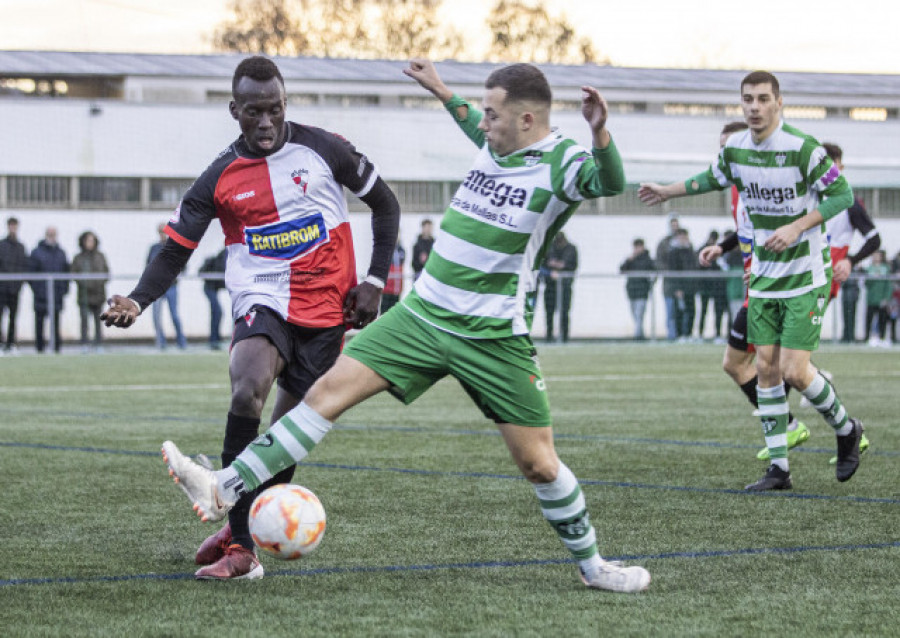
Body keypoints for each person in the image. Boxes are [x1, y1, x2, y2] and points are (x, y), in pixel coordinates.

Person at [160, 58, 650, 593]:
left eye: (491, 114)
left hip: (491, 335)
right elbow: (467, 117)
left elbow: (611, 180)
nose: (480, 124)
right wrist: (441, 89)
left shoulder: (565, 163)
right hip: (421, 314)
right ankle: (223, 488)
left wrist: (600, 131)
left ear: (527, 120)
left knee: (539, 464)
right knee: (323, 395)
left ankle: (593, 565)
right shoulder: (496, 141)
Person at [102, 56, 400, 581]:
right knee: (248, 388)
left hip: (328, 309)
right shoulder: (218, 177)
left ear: (286, 104)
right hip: (261, 298)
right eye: (254, 113)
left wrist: (375, 280)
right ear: (234, 109)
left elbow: (386, 205)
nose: (266, 123)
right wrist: (137, 300)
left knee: (287, 433)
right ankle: (243, 549)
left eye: (276, 110)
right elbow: (175, 251)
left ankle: (237, 516)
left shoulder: (326, 148)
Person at [638, 71, 865, 491]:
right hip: (763, 277)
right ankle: (779, 469)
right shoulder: (737, 149)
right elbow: (710, 178)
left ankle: (848, 429)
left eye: (763, 99)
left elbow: (842, 196)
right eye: (748, 99)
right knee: (763, 369)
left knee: (795, 371)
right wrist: (667, 192)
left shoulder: (802, 148)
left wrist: (798, 227)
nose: (754, 107)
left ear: (779, 102)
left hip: (805, 276)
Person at [820, 143, 882, 340]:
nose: (828, 170)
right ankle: (801, 370)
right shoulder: (809, 197)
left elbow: (874, 239)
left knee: (801, 330)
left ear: (841, 167)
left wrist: (850, 260)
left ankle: (802, 370)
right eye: (823, 165)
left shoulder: (850, 202)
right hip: (799, 273)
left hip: (824, 280)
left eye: (832, 165)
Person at [147, 223, 187, 350]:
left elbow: (183, 265)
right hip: (157, 287)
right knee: (156, 316)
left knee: (174, 314)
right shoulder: (154, 248)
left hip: (171, 286)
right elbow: (148, 265)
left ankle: (181, 342)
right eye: (161, 232)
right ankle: (161, 342)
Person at [29, 226, 69, 353]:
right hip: (41, 296)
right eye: (50, 234)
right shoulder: (36, 253)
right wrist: (38, 290)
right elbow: (31, 274)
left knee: (56, 324)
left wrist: (63, 290)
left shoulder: (61, 253)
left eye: (54, 234)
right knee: (39, 324)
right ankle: (39, 349)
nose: (52, 237)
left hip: (56, 296)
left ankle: (57, 348)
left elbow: (66, 273)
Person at [71, 231, 109, 352]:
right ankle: (84, 344)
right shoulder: (78, 258)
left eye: (92, 240)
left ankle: (98, 344)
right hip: (84, 296)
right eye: (87, 240)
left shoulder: (100, 256)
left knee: (99, 321)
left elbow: (106, 273)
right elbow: (74, 274)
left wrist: (96, 285)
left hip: (98, 295)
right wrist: (86, 285)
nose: (90, 243)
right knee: (84, 321)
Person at [0, 217, 29, 353]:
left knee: (13, 317)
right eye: (11, 226)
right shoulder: (1, 245)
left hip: (14, 289)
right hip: (2, 289)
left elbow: (24, 266)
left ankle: (11, 344)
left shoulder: (21, 247)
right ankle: (1, 344)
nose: (13, 228)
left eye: (15, 226)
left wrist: (19, 284)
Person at [542, 232, 578, 343]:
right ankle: (549, 336)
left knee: (564, 312)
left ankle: (565, 337)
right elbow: (545, 264)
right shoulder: (549, 248)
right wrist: (558, 266)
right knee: (549, 312)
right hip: (551, 286)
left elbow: (571, 265)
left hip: (565, 286)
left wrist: (556, 265)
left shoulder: (571, 249)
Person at [696, 230, 729, 342]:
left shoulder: (718, 251)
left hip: (716, 287)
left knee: (717, 312)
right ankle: (701, 334)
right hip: (706, 286)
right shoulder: (705, 250)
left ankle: (717, 334)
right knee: (704, 311)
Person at [619, 238, 655, 340]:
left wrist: (649, 285)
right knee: (635, 315)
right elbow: (621, 269)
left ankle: (637, 336)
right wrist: (629, 260)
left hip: (642, 291)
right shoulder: (631, 260)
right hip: (631, 291)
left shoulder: (648, 260)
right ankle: (640, 335)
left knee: (639, 314)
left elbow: (654, 272)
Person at [655, 214, 682, 340]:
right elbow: (658, 261)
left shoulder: (684, 241)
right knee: (670, 310)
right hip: (669, 284)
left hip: (682, 284)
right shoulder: (664, 243)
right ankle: (672, 336)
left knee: (682, 310)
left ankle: (682, 335)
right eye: (673, 225)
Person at [668, 228, 697, 341]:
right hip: (680, 287)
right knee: (679, 311)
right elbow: (673, 271)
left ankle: (688, 334)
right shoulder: (673, 253)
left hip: (690, 287)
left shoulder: (690, 251)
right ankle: (680, 334)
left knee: (691, 311)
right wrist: (677, 288)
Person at [198, 248, 228, 349]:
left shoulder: (226, 254)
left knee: (217, 312)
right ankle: (214, 339)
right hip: (209, 287)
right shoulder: (225, 254)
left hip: (215, 287)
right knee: (217, 312)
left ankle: (216, 338)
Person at [863, 249, 891, 347]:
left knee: (882, 319)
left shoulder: (886, 268)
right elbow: (866, 283)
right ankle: (867, 338)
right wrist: (872, 277)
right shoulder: (869, 268)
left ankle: (882, 338)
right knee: (869, 318)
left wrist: (886, 298)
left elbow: (888, 284)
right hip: (871, 298)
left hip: (881, 298)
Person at [380, 239, 406, 314]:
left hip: (396, 288)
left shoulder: (401, 250)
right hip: (387, 288)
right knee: (384, 312)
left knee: (394, 312)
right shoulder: (386, 249)